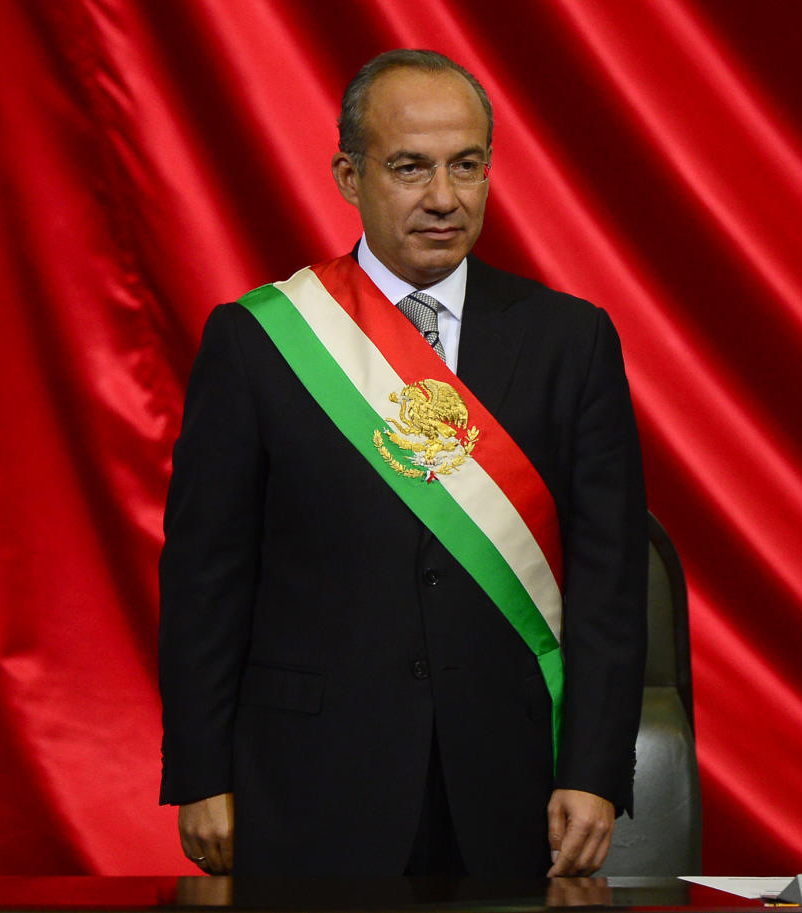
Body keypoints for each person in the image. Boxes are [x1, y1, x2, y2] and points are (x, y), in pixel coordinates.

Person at [158, 48, 647, 878]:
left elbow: (610, 578)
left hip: (513, 779)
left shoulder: (571, 341)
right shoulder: (258, 343)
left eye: (467, 165)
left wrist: (594, 772)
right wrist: (201, 772)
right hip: (309, 775)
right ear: (350, 176)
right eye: (410, 168)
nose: (444, 198)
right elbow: (207, 576)